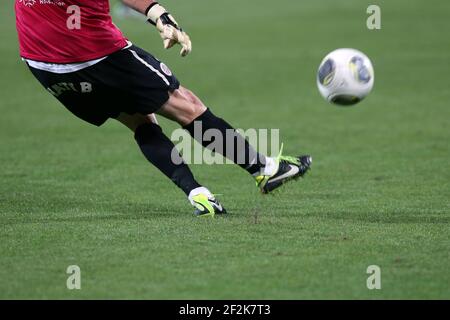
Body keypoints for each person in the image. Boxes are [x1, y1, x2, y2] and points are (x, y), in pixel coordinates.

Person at [14, 0, 312, 217]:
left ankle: (197, 193)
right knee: (187, 106)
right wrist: (161, 16)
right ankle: (264, 169)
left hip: (44, 65)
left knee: (139, 120)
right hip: (96, 55)